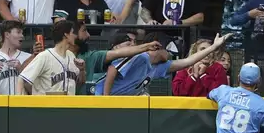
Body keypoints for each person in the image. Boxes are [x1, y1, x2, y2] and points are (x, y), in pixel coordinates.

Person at [95, 33, 230, 96]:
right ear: (157, 48)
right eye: (167, 50)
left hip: (117, 102)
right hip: (98, 97)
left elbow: (188, 61)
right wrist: (106, 100)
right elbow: (113, 69)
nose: (169, 54)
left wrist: (213, 47)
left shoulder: (160, 67)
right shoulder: (140, 56)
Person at [17, 20, 85, 95]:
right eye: (73, 33)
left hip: (68, 105)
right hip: (48, 105)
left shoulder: (71, 56)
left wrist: (81, 70)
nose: (75, 36)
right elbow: (23, 79)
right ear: (66, 35)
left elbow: (79, 84)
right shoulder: (45, 56)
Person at [0, 20, 34, 95]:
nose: (22, 36)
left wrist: (21, 71)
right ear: (7, 34)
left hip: (21, 104)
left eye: (22, 33)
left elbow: (34, 91)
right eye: (18, 32)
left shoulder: (28, 58)